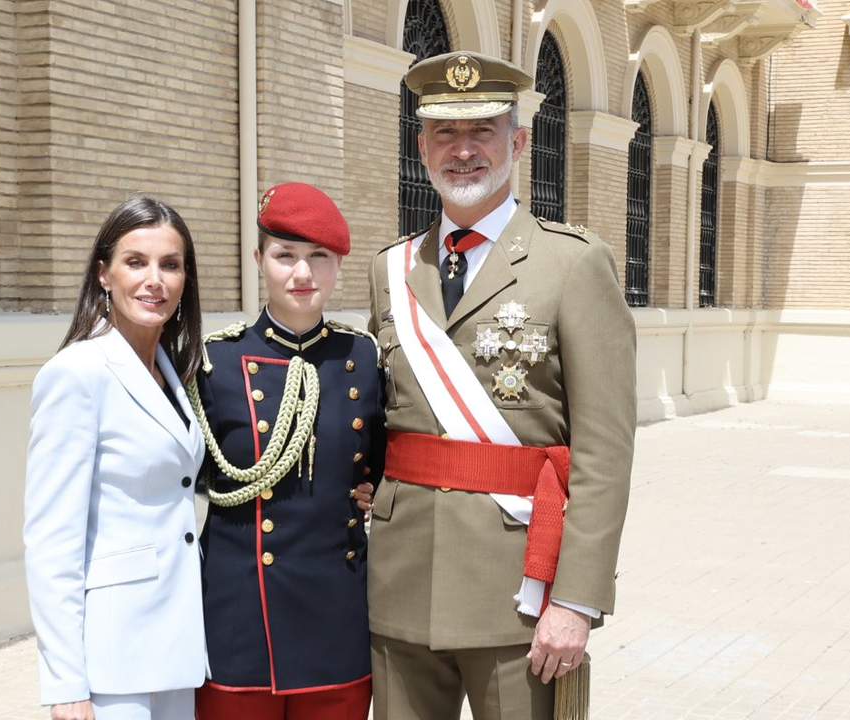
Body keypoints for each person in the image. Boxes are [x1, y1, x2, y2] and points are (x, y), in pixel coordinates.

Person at [366, 51, 637, 720]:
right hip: (400, 584)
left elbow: (605, 452)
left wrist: (575, 600)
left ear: (518, 143)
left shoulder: (572, 264)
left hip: (519, 592)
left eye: (482, 131)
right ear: (422, 147)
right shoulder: (391, 269)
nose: (463, 152)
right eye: (445, 134)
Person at [188, 182, 383, 720]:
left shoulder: (363, 358)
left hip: (336, 621)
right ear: (259, 260)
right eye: (285, 256)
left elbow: (387, 466)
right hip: (239, 622)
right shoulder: (213, 363)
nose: (303, 274)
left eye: (319, 257)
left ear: (339, 264)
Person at [24, 196, 207, 720]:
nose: (155, 280)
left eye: (170, 265)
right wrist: (65, 683)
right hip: (111, 658)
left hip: (176, 647)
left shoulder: (173, 372)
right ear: (104, 274)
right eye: (136, 262)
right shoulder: (77, 373)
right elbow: (51, 540)